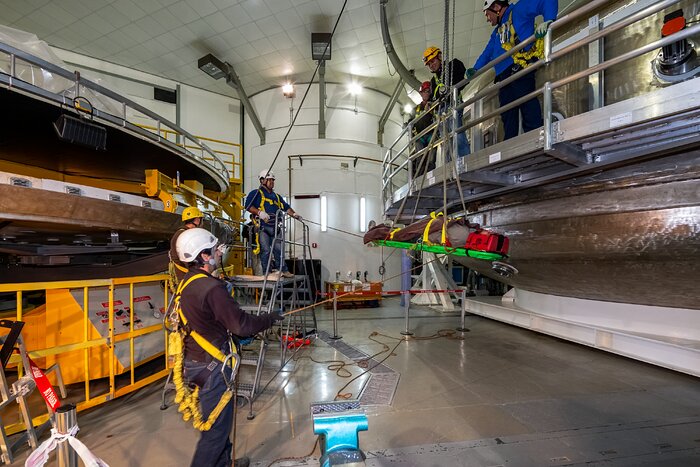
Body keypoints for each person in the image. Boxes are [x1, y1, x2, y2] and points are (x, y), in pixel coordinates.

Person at [176, 227, 283, 467]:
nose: (219, 252)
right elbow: (242, 325)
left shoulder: (188, 283)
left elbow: (208, 321)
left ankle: (224, 464)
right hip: (212, 368)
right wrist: (270, 318)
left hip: (196, 361)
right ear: (204, 256)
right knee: (213, 435)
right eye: (215, 249)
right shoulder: (212, 288)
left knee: (220, 424)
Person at [467, 0, 558, 140]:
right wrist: (475, 68)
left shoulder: (518, 10)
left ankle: (535, 137)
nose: (487, 18)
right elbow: (488, 52)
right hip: (504, 78)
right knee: (507, 114)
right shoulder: (497, 32)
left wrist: (549, 20)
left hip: (519, 68)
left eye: (487, 14)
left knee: (527, 103)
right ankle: (510, 143)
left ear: (496, 7)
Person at [244, 170, 302, 277]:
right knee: (265, 251)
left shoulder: (277, 197)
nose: (271, 182)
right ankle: (267, 273)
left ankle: (283, 270)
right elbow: (247, 206)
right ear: (262, 180)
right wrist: (259, 213)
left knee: (279, 250)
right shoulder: (256, 193)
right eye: (269, 180)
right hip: (263, 227)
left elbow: (286, 207)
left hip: (276, 227)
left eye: (272, 180)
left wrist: (294, 214)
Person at [422, 46, 470, 158]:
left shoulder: (453, 65)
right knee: (446, 141)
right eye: (429, 64)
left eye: (432, 61)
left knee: (457, 132)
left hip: (453, 104)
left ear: (439, 56)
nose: (431, 65)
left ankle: (464, 159)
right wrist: (429, 103)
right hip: (441, 111)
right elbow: (433, 97)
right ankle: (448, 166)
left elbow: (463, 80)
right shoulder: (433, 81)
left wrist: (451, 88)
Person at [408, 81, 437, 176]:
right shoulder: (415, 109)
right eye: (424, 91)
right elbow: (410, 124)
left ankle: (430, 175)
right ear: (421, 93)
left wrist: (431, 110)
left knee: (431, 159)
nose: (426, 93)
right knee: (420, 159)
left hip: (431, 135)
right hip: (419, 137)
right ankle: (419, 177)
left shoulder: (435, 106)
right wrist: (415, 135)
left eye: (428, 91)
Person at [170, 206, 204, 284]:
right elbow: (189, 258)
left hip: (185, 275)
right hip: (187, 276)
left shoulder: (183, 232)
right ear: (196, 220)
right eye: (200, 219)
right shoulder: (186, 234)